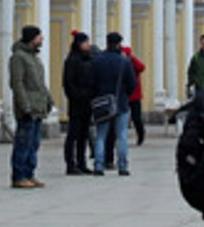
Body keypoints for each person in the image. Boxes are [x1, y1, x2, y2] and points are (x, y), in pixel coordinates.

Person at [7, 24, 52, 188]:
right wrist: (24, 105)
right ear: (32, 38)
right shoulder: (18, 57)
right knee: (23, 142)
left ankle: (29, 173)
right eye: (39, 36)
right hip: (28, 108)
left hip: (38, 107)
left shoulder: (34, 58)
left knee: (34, 143)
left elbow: (40, 83)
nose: (42, 39)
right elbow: (17, 83)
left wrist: (48, 98)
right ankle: (19, 175)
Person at [91, 32, 135, 176]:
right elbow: (132, 83)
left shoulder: (98, 60)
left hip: (103, 104)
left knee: (101, 135)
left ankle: (98, 165)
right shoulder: (125, 61)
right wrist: (124, 95)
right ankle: (122, 166)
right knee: (121, 135)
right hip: (121, 103)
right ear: (118, 44)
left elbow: (92, 82)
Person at [61, 30, 95, 175]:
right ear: (79, 44)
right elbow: (68, 83)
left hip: (88, 103)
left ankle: (82, 162)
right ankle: (70, 163)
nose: (88, 45)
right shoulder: (72, 61)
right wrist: (77, 96)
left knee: (84, 135)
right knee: (73, 135)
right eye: (86, 42)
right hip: (77, 104)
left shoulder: (88, 59)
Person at [123, 42, 148, 146]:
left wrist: (132, 58)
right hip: (124, 95)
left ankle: (141, 134)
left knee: (136, 117)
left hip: (134, 95)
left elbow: (142, 67)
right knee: (122, 118)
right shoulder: (121, 63)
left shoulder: (133, 63)